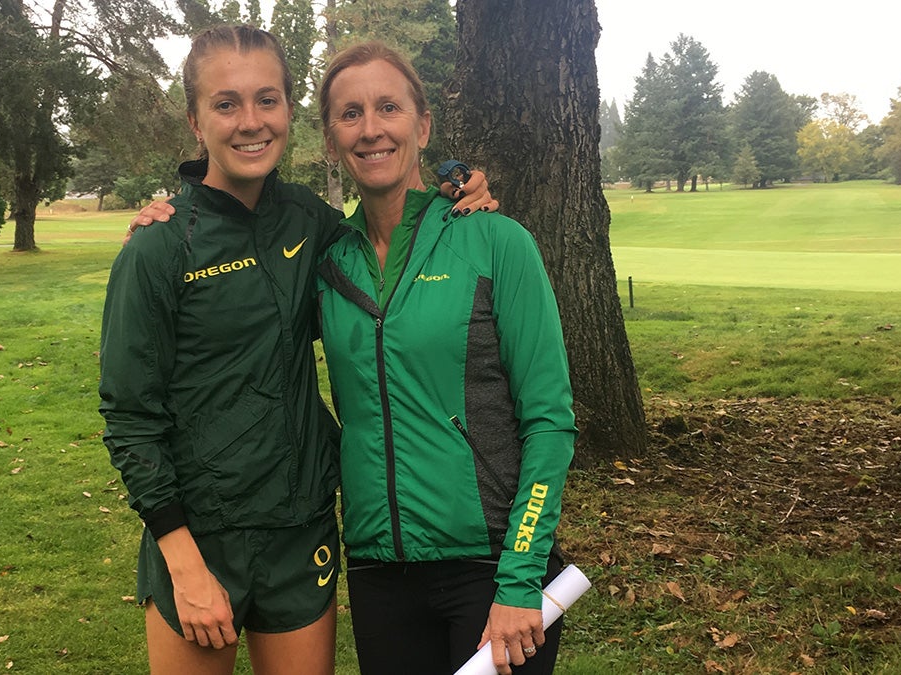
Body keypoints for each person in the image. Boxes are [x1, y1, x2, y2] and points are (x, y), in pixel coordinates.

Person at [98, 25, 495, 675]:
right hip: (197, 539)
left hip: (299, 531)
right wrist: (183, 559)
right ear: (196, 122)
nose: (250, 121)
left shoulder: (310, 223)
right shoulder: (159, 247)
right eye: (225, 104)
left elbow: (387, 247)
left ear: (288, 112)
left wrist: (458, 178)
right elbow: (129, 415)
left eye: (267, 99)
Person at [314, 42, 577, 675]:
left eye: (388, 108)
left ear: (422, 125)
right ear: (330, 138)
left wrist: (520, 579)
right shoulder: (326, 262)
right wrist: (165, 219)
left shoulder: (494, 239)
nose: (371, 128)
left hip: (491, 567)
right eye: (350, 114)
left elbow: (550, 419)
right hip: (380, 570)